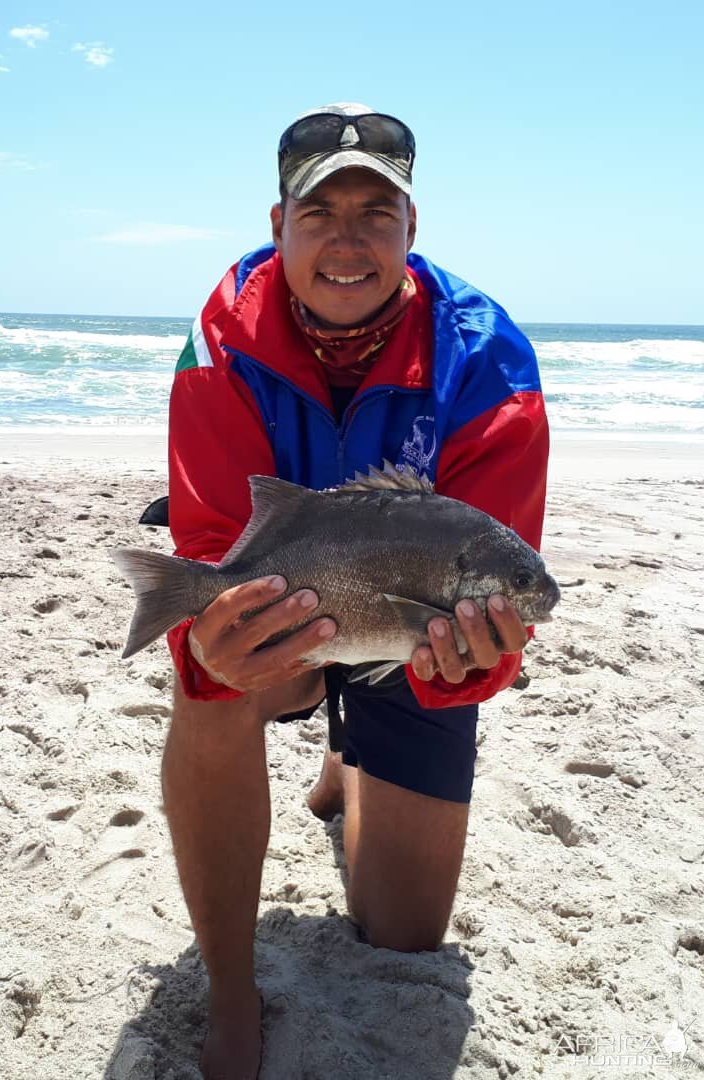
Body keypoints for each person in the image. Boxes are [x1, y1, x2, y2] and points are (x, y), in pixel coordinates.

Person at [161, 103, 549, 1080]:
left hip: (408, 643)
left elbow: (503, 574)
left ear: (410, 231)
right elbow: (213, 536)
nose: (346, 238)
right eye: (317, 211)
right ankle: (234, 987)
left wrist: (474, 663)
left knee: (405, 931)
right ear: (276, 223)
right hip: (291, 619)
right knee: (210, 686)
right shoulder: (221, 340)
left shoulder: (487, 359)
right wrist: (208, 632)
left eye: (375, 212)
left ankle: (348, 752)